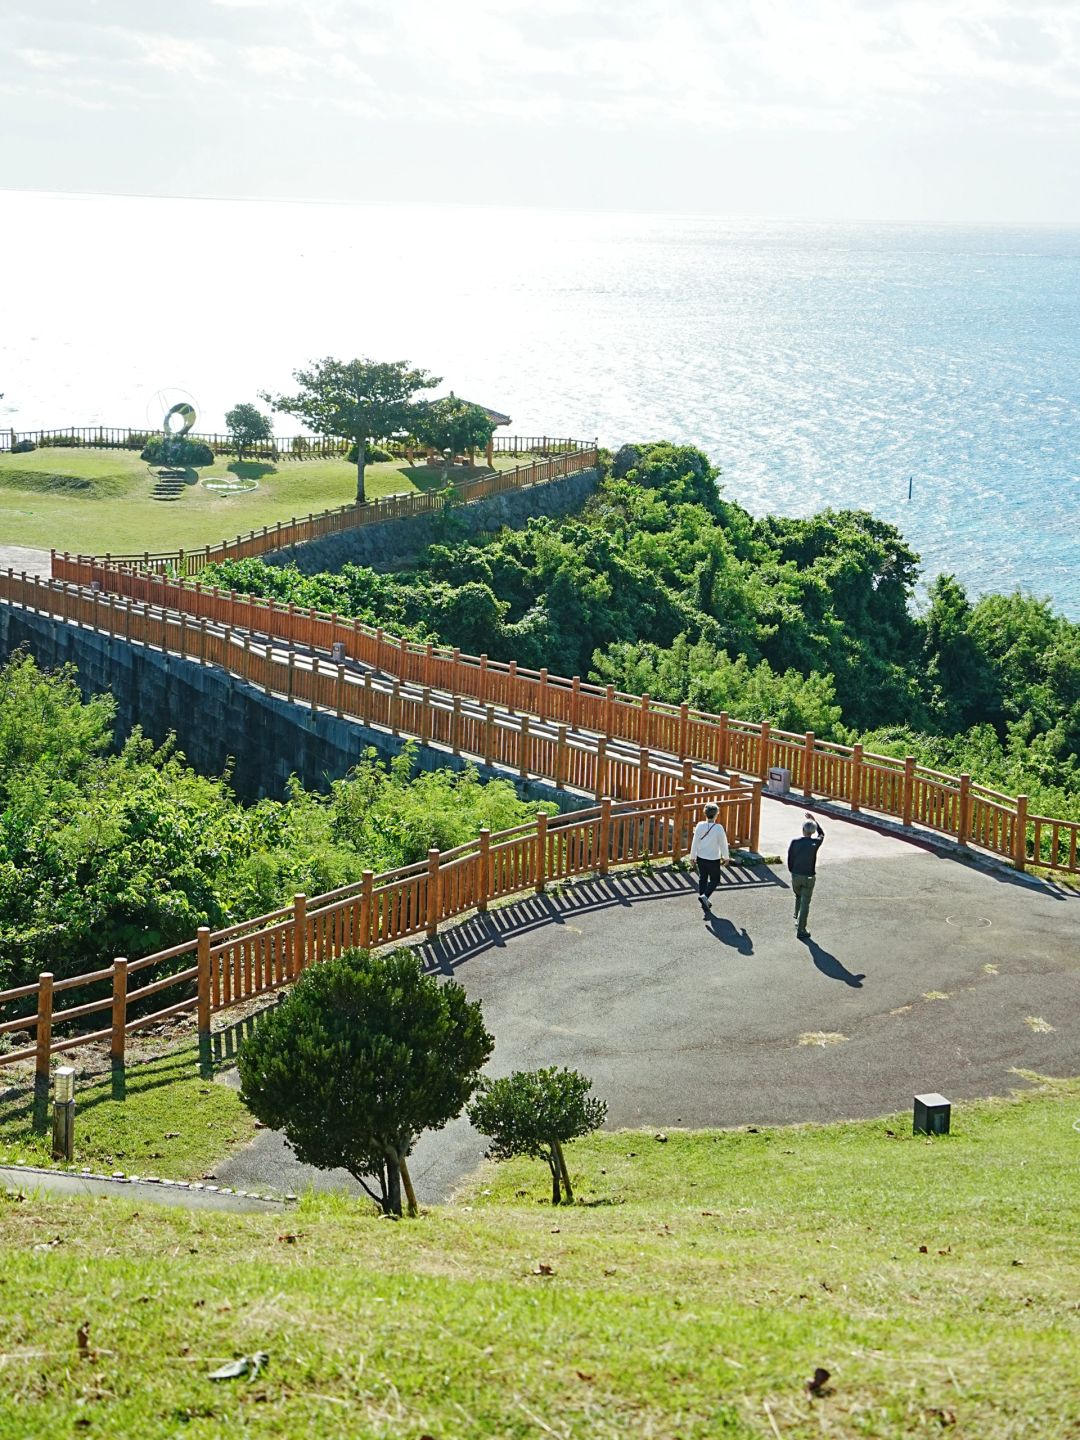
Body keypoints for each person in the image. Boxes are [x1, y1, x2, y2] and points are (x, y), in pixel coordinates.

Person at [787, 812, 825, 939]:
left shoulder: (795, 842)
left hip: (796, 875)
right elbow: (822, 834)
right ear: (813, 831)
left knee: (798, 895)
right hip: (809, 876)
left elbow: (790, 858)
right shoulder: (815, 843)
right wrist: (815, 821)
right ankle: (802, 928)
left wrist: (792, 870)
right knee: (805, 902)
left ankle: (797, 916)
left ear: (803, 830)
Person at [689, 802, 730, 907]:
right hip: (713, 859)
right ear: (716, 814)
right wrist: (726, 857)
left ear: (705, 814)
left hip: (701, 857)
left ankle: (704, 901)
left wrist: (692, 857)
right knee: (715, 880)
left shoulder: (699, 825)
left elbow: (695, 842)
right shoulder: (719, 828)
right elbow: (723, 844)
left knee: (702, 879)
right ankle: (705, 896)